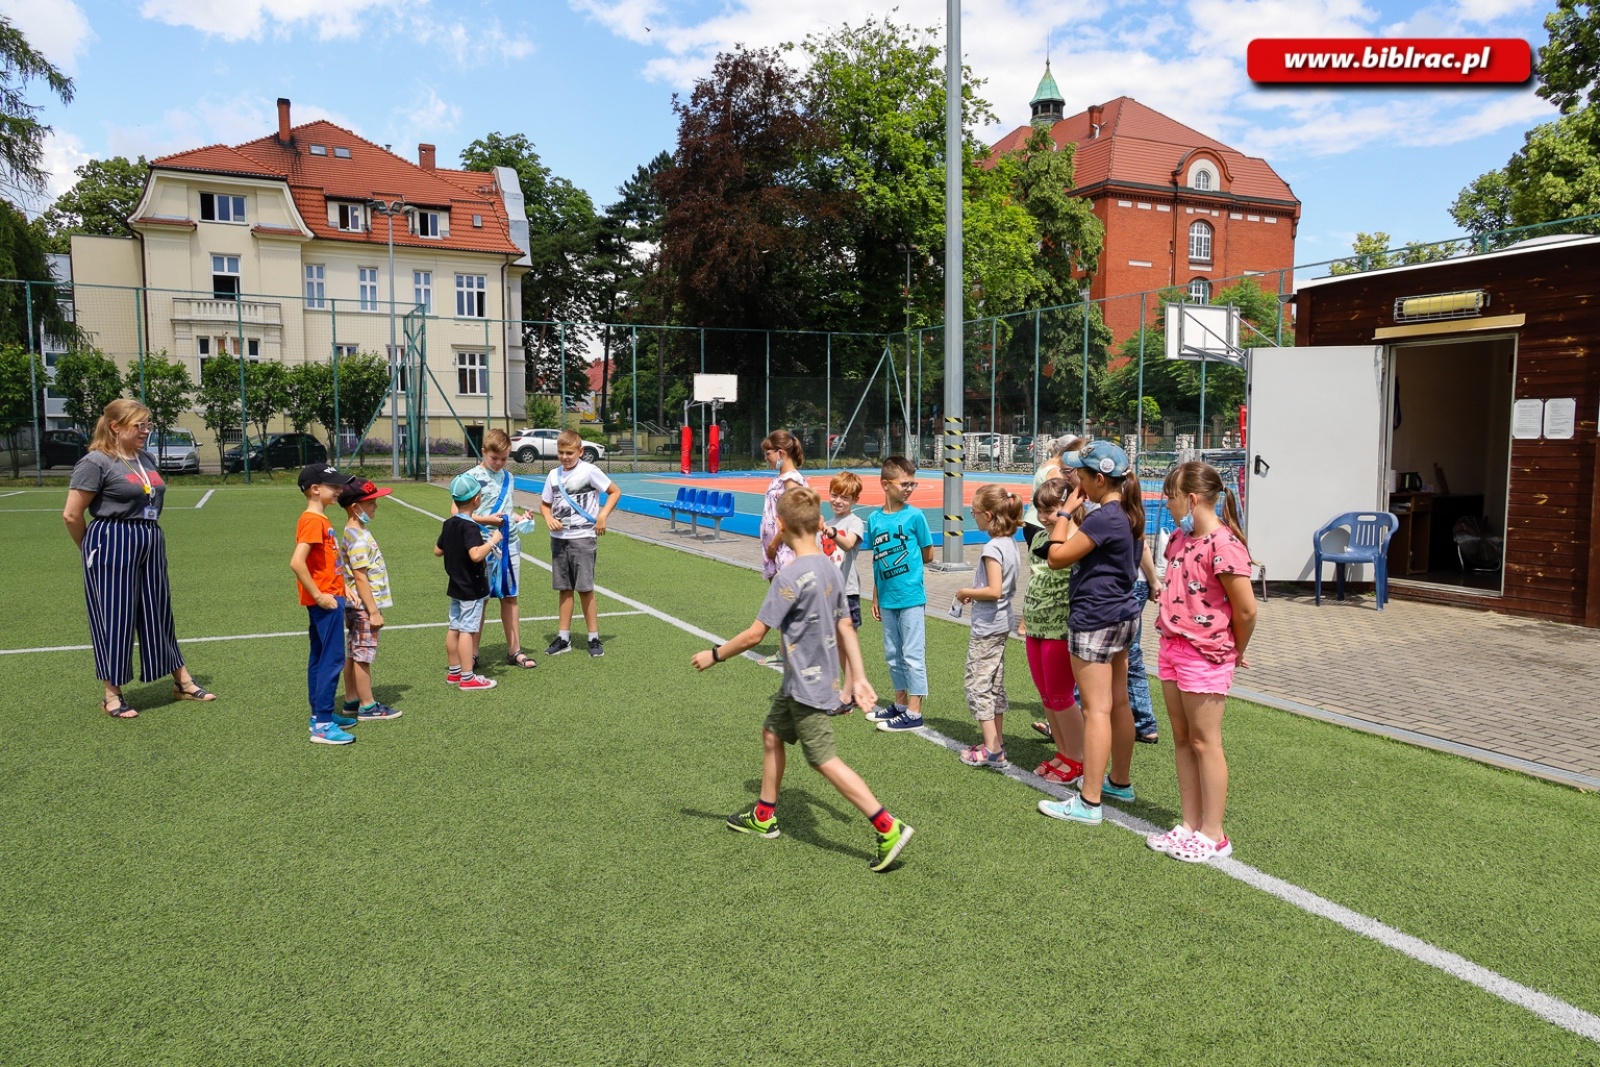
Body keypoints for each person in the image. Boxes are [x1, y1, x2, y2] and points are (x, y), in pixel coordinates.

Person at [691, 486, 914, 873]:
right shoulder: (830, 565)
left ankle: (887, 826)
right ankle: (763, 815)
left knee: (823, 759)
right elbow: (846, 623)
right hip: (802, 682)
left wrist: (714, 655)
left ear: (781, 524)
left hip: (808, 686)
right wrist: (857, 677)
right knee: (772, 734)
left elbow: (754, 635)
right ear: (818, 524)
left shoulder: (789, 576)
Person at [63, 398, 216, 719]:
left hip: (149, 539)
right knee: (114, 617)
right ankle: (111, 694)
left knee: (158, 611)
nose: (146, 430)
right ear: (116, 427)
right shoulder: (96, 462)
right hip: (112, 541)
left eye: (148, 424)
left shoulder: (144, 458)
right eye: (139, 425)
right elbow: (72, 515)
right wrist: (90, 549)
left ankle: (181, 681)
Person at [1149, 461, 1257, 863]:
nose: (1169, 505)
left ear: (1192, 499)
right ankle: (1190, 824)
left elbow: (1246, 611)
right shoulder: (1179, 538)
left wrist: (1235, 650)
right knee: (1182, 739)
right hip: (1172, 648)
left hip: (1205, 655)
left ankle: (1214, 833)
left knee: (1204, 741)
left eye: (1172, 497)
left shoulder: (1224, 545)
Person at [1038, 441, 1145, 825]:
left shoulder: (1104, 517)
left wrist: (1066, 511)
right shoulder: (1132, 513)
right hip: (1122, 615)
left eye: (1081, 476)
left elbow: (1056, 557)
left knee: (1095, 709)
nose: (1075, 481)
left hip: (1096, 618)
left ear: (1099, 479)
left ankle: (1090, 800)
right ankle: (1119, 781)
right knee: (1118, 703)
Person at [954, 485, 1023, 770]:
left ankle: (992, 750)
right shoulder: (1010, 543)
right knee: (994, 683)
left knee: (978, 685)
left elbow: (994, 590)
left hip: (988, 626)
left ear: (989, 514)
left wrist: (964, 591)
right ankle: (996, 742)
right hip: (1000, 622)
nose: (972, 515)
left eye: (975, 512)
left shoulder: (993, 547)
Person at [459, 429, 539, 670]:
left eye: (504, 458)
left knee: (510, 596)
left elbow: (506, 511)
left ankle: (515, 650)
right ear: (484, 452)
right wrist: (487, 521)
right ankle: (472, 653)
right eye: (495, 458)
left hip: (509, 544)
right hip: (482, 546)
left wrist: (520, 518)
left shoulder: (508, 477)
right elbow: (458, 514)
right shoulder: (470, 477)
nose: (500, 463)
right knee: (479, 600)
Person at [290, 463, 359, 744]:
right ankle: (323, 724)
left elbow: (328, 563)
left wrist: (344, 587)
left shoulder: (321, 519)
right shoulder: (312, 520)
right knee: (332, 659)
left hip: (333, 595)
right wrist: (320, 596)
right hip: (326, 602)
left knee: (319, 657)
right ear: (315, 490)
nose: (341, 489)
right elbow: (297, 562)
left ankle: (319, 714)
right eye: (335, 486)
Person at [1023, 476, 1085, 785]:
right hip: (1035, 625)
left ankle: (1078, 758)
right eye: (1041, 510)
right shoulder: (1037, 539)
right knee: (1046, 696)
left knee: (1061, 695)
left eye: (1052, 509)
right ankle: (1063, 753)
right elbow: (1035, 578)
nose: (1045, 517)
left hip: (1060, 628)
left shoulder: (1079, 537)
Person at [865, 455, 934, 733]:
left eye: (912, 484)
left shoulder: (915, 516)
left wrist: (909, 565)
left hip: (911, 597)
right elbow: (878, 560)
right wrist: (876, 595)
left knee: (913, 654)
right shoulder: (874, 519)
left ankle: (915, 712)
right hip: (888, 598)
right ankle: (901, 704)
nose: (908, 489)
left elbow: (928, 553)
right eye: (903, 484)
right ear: (885, 484)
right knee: (893, 654)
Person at [539, 430, 621, 657]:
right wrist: (548, 518)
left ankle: (593, 637)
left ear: (580, 452)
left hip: (583, 538)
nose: (565, 457)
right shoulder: (553, 476)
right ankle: (563, 638)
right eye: (561, 452)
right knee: (564, 589)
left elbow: (614, 492)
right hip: (558, 540)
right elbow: (545, 504)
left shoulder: (590, 471)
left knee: (585, 588)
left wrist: (603, 516)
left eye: (570, 452)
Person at [339, 477, 402, 722]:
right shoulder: (358, 539)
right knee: (363, 655)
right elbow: (361, 577)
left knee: (353, 651)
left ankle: (351, 699)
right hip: (364, 606)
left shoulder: (354, 532)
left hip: (356, 606)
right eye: (371, 502)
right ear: (356, 507)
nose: (376, 506)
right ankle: (367, 706)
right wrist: (373, 611)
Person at [437, 472, 503, 691]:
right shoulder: (470, 527)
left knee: (454, 626)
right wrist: (493, 542)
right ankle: (467, 677)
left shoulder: (449, 523)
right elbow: (476, 555)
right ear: (477, 499)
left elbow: (438, 550)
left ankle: (454, 672)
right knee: (467, 630)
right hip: (471, 587)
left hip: (455, 585)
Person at [822, 471, 867, 715]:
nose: (838, 501)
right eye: (834, 495)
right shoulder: (827, 523)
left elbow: (848, 544)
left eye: (845, 498)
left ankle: (847, 696)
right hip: (829, 593)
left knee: (849, 645)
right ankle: (853, 689)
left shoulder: (854, 522)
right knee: (839, 645)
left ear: (855, 500)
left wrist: (829, 533)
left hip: (847, 592)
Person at [758, 430, 807, 582]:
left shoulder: (791, 480)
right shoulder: (780, 478)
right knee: (778, 600)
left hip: (785, 550)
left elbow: (793, 517)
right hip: (776, 551)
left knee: (787, 599)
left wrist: (773, 544)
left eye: (768, 454)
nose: (766, 458)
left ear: (780, 453)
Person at [1129, 539, 1165, 744]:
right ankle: (1145, 724)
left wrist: (1154, 581)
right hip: (1136, 581)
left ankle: (1072, 719)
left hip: (1129, 582)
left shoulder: (1116, 507)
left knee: (1094, 652)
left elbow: (1141, 544)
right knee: (1130, 656)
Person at [1020, 435, 1083, 549]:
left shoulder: (1048, 465)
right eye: (1065, 472)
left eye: (1067, 472)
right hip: (1045, 522)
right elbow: (1057, 501)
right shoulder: (1054, 471)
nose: (1065, 477)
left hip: (1034, 519)